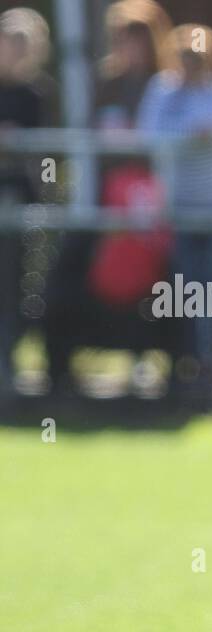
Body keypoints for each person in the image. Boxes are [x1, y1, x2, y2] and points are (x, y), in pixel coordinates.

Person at [43, 0, 176, 396]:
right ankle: (59, 374)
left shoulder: (166, 85)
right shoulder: (105, 84)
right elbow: (90, 141)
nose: (127, 47)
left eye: (135, 39)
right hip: (106, 207)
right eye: (120, 38)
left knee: (165, 284)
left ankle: (173, 370)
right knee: (67, 280)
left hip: (156, 211)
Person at [138, 23, 212, 404]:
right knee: (186, 287)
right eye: (185, 57)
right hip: (180, 204)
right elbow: (152, 136)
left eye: (199, 58)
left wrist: (184, 136)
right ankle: (187, 361)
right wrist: (188, 136)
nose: (191, 65)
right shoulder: (162, 90)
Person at [0, 7, 54, 400]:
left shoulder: (37, 94)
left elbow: (45, 160)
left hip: (18, 205)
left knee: (12, 288)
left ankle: (8, 365)